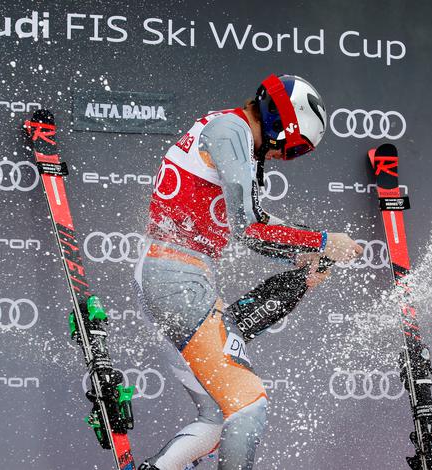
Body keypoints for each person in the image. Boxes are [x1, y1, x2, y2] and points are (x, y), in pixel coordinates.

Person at [134, 74, 362, 470]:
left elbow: (256, 222)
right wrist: (323, 242)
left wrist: (301, 258)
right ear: (281, 123)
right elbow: (251, 228)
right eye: (291, 150)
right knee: (248, 402)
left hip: (174, 276)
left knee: (218, 417)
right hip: (178, 279)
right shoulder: (232, 129)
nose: (282, 158)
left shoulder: (227, 128)